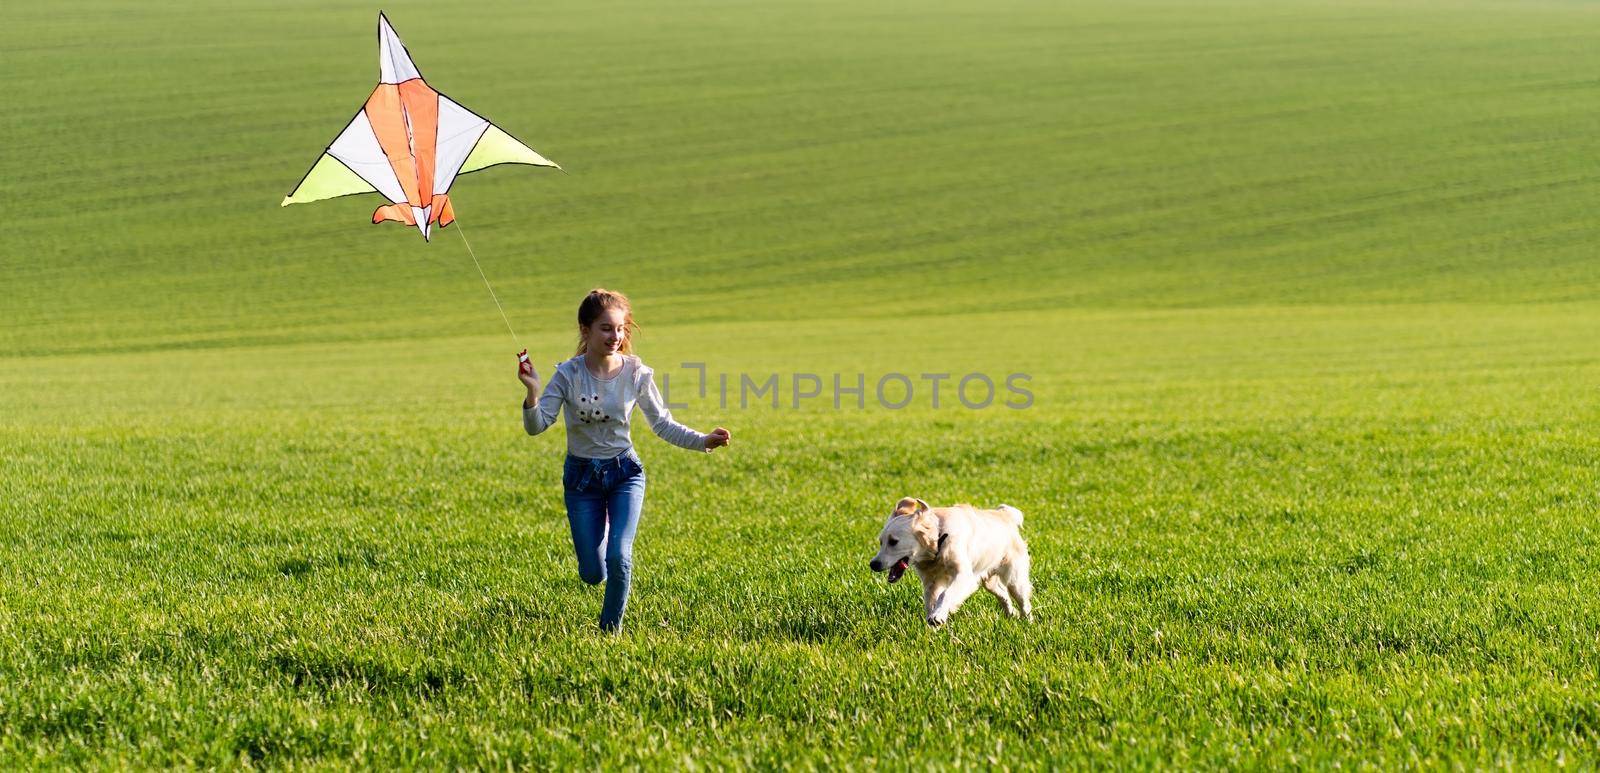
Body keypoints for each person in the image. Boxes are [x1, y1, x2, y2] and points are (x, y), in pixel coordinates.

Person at [518, 288, 731, 632]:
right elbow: (537, 426)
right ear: (585, 331)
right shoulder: (568, 375)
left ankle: (609, 633)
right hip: (581, 481)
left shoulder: (636, 374)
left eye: (619, 329)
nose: (615, 336)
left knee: (620, 557)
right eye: (605, 328)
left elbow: (662, 424)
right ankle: (599, 536)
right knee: (592, 573)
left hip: (624, 474)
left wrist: (703, 440)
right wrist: (532, 392)